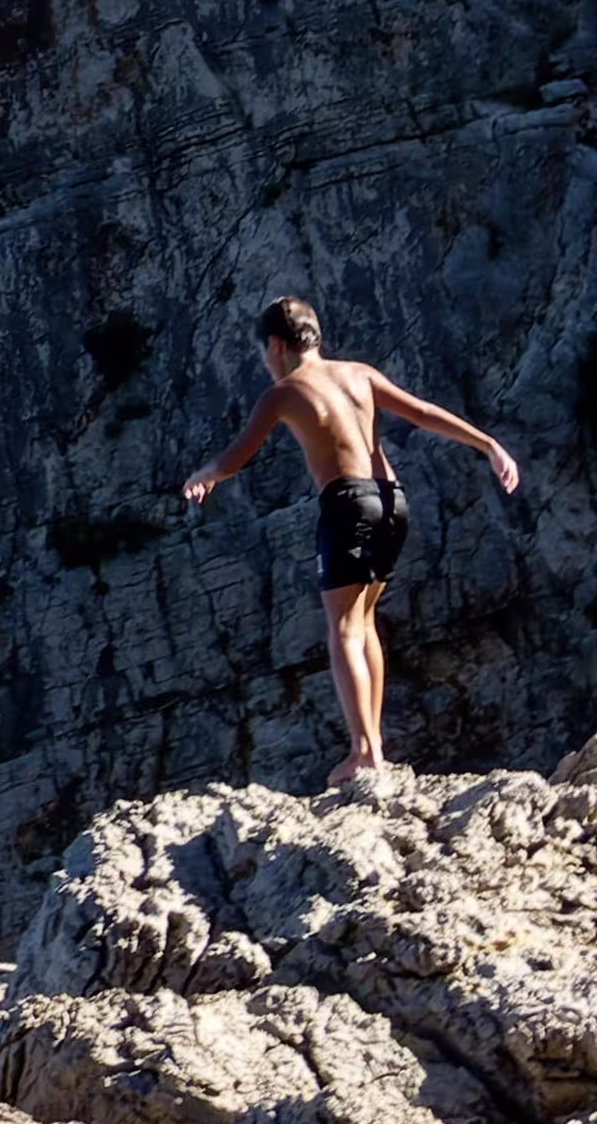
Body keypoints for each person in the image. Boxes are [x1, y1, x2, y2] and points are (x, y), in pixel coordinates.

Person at [181, 293, 520, 787]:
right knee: (363, 622)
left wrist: (206, 474)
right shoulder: (358, 373)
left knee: (341, 627)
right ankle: (373, 746)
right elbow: (423, 412)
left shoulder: (283, 393)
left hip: (347, 504)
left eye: (264, 354)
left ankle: (364, 752)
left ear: (275, 345)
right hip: (392, 501)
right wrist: (489, 445)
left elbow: (236, 456)